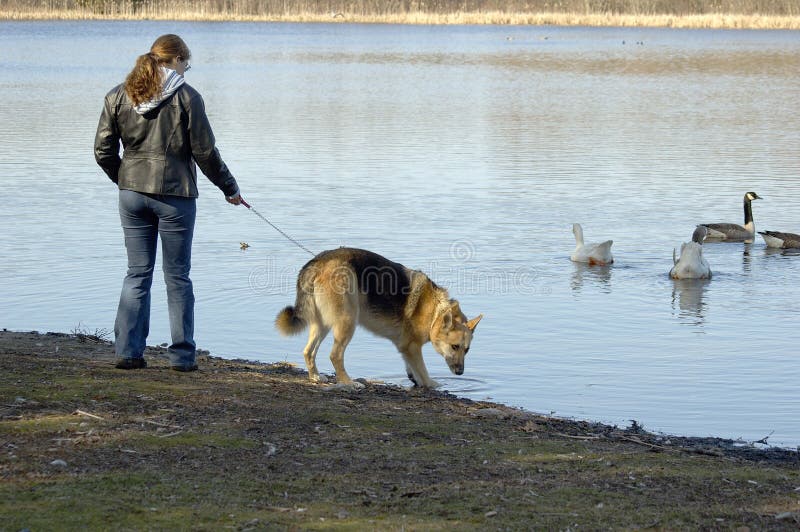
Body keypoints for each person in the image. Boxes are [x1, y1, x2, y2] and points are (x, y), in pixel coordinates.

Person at [94, 34, 242, 372]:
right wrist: (229, 187)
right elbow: (205, 152)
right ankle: (182, 358)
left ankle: (128, 353)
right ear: (173, 60)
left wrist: (126, 179)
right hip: (176, 198)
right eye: (185, 63)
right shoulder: (188, 98)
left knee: (137, 273)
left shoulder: (119, 95)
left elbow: (103, 150)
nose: (186, 70)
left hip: (131, 195)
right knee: (177, 277)